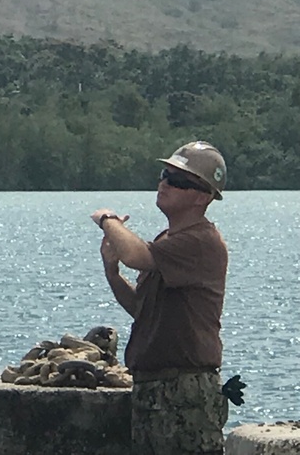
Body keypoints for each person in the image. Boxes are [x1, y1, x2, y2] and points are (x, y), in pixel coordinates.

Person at [91, 140, 230, 455]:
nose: (164, 183)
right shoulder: (168, 241)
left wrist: (106, 219)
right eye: (164, 174)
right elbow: (144, 309)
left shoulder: (201, 242)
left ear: (202, 196)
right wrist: (112, 275)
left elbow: (134, 254)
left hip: (185, 394)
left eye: (177, 180)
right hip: (154, 390)